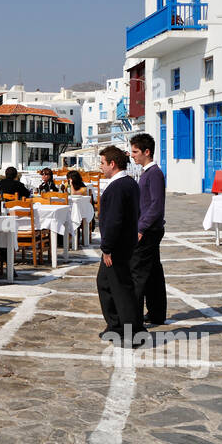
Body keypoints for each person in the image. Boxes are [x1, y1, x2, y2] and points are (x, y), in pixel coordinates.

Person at [94, 146, 143, 345]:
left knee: (122, 290)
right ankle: (115, 325)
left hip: (117, 247)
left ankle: (133, 333)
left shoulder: (118, 187)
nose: (101, 167)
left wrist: (107, 248)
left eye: (103, 163)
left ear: (112, 164)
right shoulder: (129, 183)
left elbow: (114, 221)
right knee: (104, 284)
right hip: (124, 243)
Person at [129, 133, 167, 326]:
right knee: (153, 273)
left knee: (138, 273)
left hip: (149, 230)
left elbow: (156, 205)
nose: (132, 155)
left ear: (147, 152)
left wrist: (141, 227)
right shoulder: (148, 173)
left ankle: (133, 318)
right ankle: (156, 313)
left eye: (135, 151)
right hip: (151, 228)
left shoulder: (154, 174)